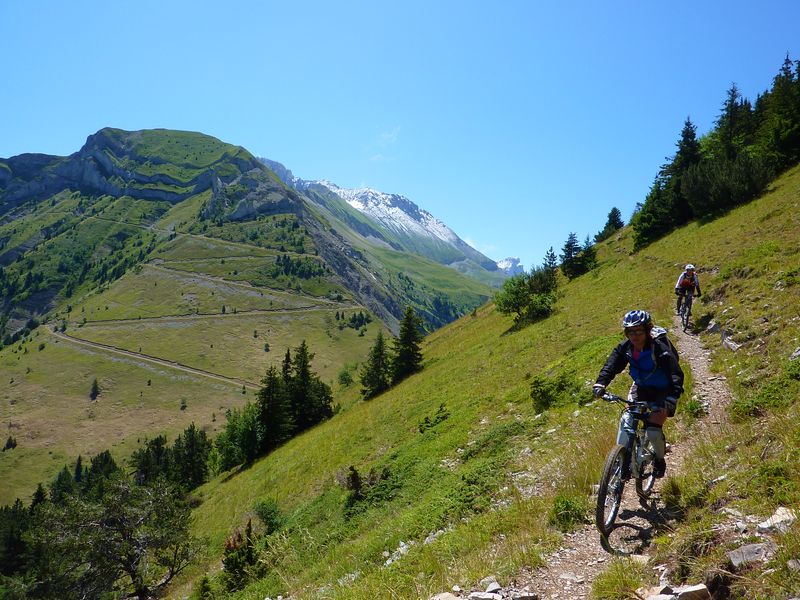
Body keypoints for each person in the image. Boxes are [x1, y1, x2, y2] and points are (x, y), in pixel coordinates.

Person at [592, 310, 684, 479]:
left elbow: (675, 373)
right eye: (629, 331)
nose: (633, 335)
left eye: (638, 330)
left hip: (664, 390)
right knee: (626, 422)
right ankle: (622, 461)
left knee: (653, 430)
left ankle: (659, 459)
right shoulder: (626, 347)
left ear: (647, 330)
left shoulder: (659, 348)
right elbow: (611, 366)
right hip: (640, 387)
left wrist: (672, 397)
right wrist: (601, 383)